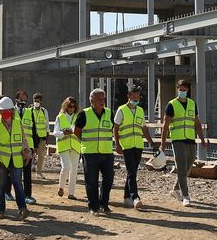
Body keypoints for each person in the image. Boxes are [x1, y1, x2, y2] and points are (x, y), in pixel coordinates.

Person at [160, 78, 208, 207]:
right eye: (180, 90)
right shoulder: (171, 105)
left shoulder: (192, 104)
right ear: (177, 89)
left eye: (184, 90)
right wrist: (163, 142)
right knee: (181, 167)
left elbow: (196, 123)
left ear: (188, 90)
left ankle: (175, 189)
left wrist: (202, 139)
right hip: (177, 139)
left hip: (190, 138)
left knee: (189, 164)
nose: (182, 92)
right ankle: (185, 195)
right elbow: (165, 125)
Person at [75, 87, 115, 216]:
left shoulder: (109, 113)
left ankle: (104, 204)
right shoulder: (84, 114)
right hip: (90, 153)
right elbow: (77, 131)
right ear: (91, 100)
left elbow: (114, 129)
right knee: (91, 181)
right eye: (99, 99)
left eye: (103, 99)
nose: (102, 101)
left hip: (107, 152)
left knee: (108, 179)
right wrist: (85, 143)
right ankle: (93, 206)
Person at [113, 85, 153, 209]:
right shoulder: (122, 109)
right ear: (128, 96)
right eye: (134, 96)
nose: (136, 99)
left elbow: (144, 127)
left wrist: (151, 142)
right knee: (131, 172)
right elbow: (116, 127)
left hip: (138, 145)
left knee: (133, 172)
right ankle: (135, 197)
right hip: (126, 145)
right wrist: (117, 143)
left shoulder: (140, 110)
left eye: (138, 97)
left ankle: (126, 197)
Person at [0, 97, 31, 220]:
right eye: (2, 111)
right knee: (1, 184)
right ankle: (0, 210)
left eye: (7, 110)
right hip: (2, 159)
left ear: (12, 110)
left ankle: (22, 209)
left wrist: (27, 151)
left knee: (18, 184)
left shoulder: (17, 123)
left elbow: (23, 139)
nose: (5, 113)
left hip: (16, 159)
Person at [20, 91, 50, 203]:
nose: (36, 102)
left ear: (41, 101)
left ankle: (39, 171)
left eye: (38, 100)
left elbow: (46, 123)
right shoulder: (29, 111)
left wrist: (47, 135)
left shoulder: (44, 111)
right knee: (29, 159)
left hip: (40, 137)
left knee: (41, 155)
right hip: (30, 139)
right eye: (35, 100)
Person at [53, 96, 81, 199]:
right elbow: (55, 133)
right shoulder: (60, 117)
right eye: (70, 106)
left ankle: (71, 193)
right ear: (66, 106)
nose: (71, 108)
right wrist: (64, 133)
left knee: (74, 170)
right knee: (66, 167)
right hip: (63, 145)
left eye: (73, 107)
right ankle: (61, 187)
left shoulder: (78, 117)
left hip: (75, 146)